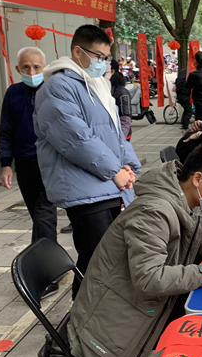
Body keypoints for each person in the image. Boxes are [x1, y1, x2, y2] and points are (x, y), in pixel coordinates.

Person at [68, 143, 202, 357]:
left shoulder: (192, 197)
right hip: (117, 314)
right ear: (198, 178)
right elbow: (148, 278)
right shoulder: (154, 212)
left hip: (149, 299)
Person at [34, 24, 141, 299]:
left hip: (109, 184)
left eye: (106, 57)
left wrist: (129, 166)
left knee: (111, 256)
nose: (103, 63)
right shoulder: (57, 86)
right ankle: (81, 316)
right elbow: (76, 138)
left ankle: (103, 314)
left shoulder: (96, 84)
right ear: (77, 52)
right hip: (85, 190)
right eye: (98, 56)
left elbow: (116, 133)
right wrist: (114, 170)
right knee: (95, 260)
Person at [0, 47, 59, 294]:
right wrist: (6, 164)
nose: (32, 72)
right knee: (38, 216)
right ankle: (48, 263)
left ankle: (46, 274)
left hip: (50, 162)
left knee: (45, 214)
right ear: (18, 69)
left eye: (36, 67)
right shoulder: (13, 93)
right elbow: (6, 130)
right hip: (25, 164)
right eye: (26, 67)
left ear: (44, 67)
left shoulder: (53, 90)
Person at [109, 59, 132, 139]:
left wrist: (120, 139)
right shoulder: (103, 88)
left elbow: (125, 118)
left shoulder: (121, 92)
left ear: (112, 71)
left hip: (120, 135)